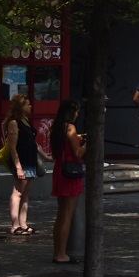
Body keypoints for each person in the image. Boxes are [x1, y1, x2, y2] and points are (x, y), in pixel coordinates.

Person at [50, 100, 85, 264]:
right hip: (71, 172)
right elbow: (78, 153)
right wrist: (87, 144)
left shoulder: (57, 127)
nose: (77, 114)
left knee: (60, 214)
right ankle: (62, 253)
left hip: (60, 170)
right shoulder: (70, 127)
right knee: (67, 215)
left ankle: (58, 250)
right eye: (76, 111)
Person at [4, 93, 39, 236]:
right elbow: (12, 146)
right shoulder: (14, 122)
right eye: (27, 104)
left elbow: (33, 143)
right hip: (22, 162)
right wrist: (18, 166)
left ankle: (23, 223)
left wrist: (45, 156)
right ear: (21, 107)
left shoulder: (27, 122)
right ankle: (15, 225)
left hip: (31, 161)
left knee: (25, 194)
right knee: (18, 193)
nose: (30, 106)